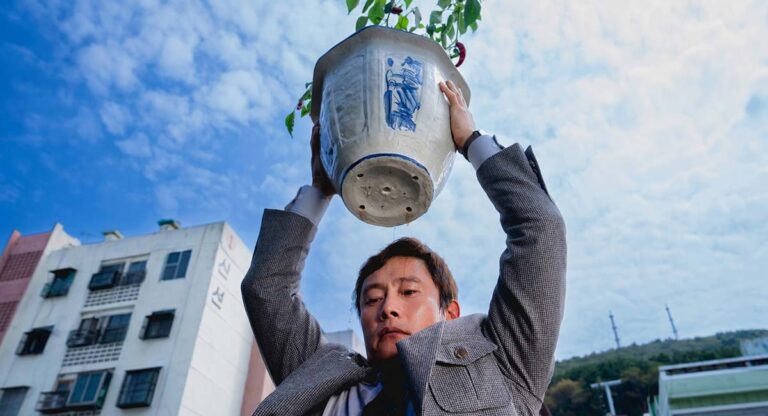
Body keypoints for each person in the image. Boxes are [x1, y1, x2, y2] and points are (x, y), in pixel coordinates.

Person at [241, 80, 566, 416]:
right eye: (372, 299)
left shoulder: (503, 362)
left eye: (409, 292)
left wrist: (470, 140)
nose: (387, 309)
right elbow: (266, 288)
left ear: (450, 313)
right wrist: (320, 190)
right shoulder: (319, 381)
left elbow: (539, 228)